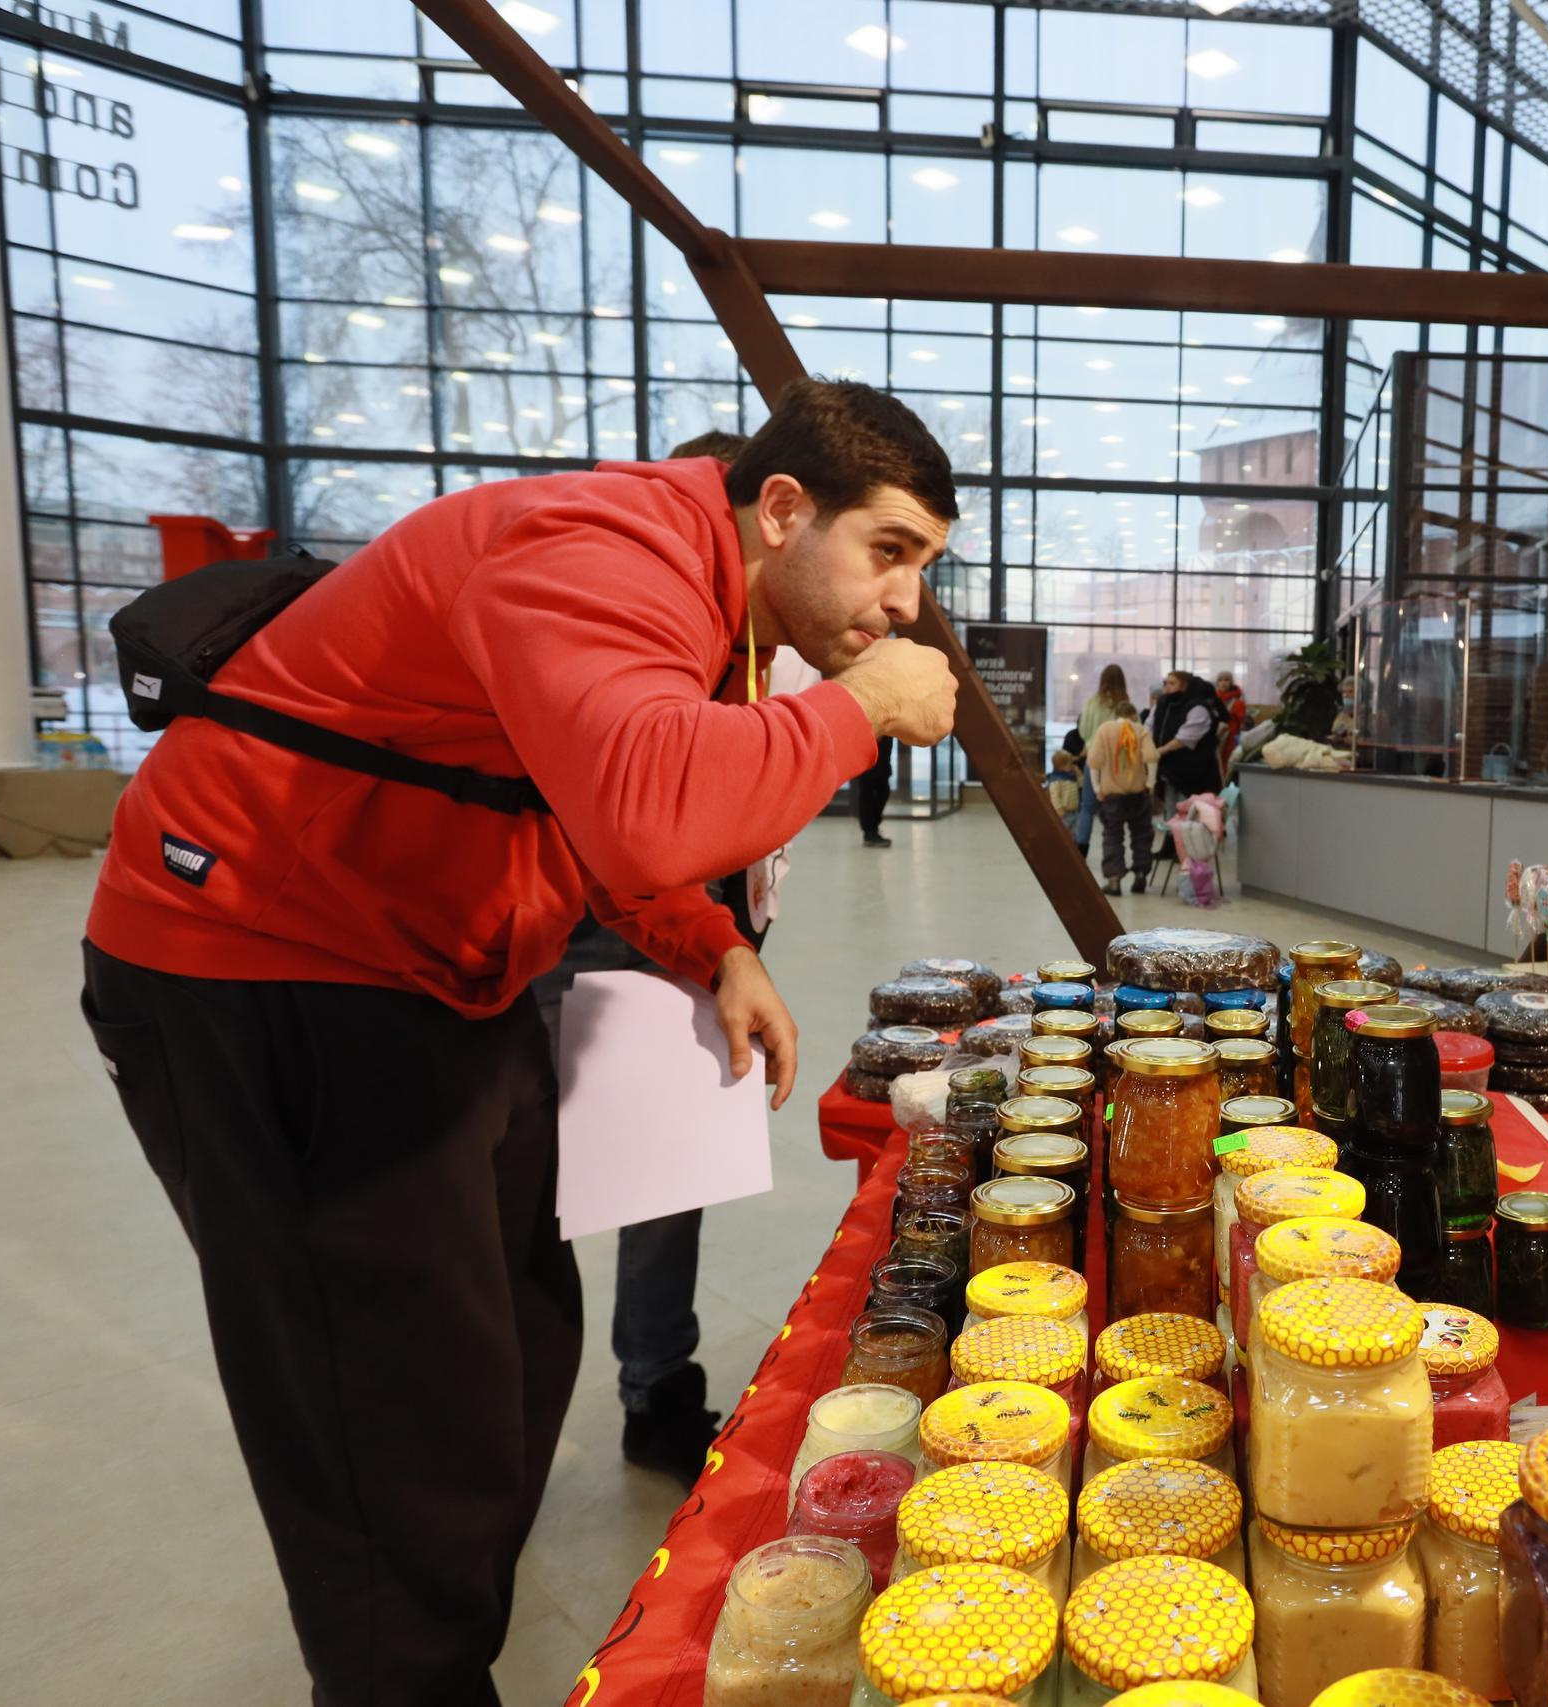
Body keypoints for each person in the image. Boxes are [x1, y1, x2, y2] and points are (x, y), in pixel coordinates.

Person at [77, 377, 959, 1706]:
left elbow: (580, 809)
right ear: (782, 508)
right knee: (387, 1404)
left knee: (518, 1335)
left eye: (923, 568)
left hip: (431, 965)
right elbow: (654, 800)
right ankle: (409, 1666)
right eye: (889, 551)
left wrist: (706, 947)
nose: (904, 601)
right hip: (268, 963)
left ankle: (441, 1616)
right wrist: (860, 710)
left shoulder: (709, 597)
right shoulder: (603, 547)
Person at [525, 428, 743, 1489]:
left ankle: (656, 1389)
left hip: (700, 930)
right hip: (603, 925)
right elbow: (643, 803)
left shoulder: (739, 627)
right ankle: (521, 1418)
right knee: (540, 1183)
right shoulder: (631, 601)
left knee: (667, 1181)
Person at [1087, 697, 1155, 895]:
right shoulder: (1141, 730)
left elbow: (1094, 761)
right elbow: (1151, 758)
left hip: (1112, 796)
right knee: (1142, 835)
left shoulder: (1104, 729)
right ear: (1134, 715)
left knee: (1112, 836)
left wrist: (1097, 786)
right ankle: (1140, 875)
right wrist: (1151, 783)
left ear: (1116, 715)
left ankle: (1114, 880)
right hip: (1138, 794)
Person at [1073, 663, 1130, 857]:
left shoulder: (1092, 703)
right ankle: (1112, 852)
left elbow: (1083, 731)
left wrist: (1090, 741)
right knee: (1113, 809)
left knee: (1087, 808)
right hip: (1115, 763)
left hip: (1093, 759)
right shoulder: (1124, 706)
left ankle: (1081, 850)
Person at [1149, 668, 1224, 804]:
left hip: (1194, 773)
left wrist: (1160, 751)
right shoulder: (1162, 704)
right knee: (1171, 812)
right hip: (1167, 770)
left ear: (1184, 686)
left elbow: (1184, 739)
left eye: (1172, 683)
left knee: (1192, 813)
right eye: (1166, 683)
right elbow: (1149, 727)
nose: (1167, 687)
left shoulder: (1198, 708)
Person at [852, 734, 896, 846]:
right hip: (868, 762)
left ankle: (873, 827)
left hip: (883, 761)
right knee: (868, 795)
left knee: (883, 792)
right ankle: (869, 831)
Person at [1212, 668, 1247, 774]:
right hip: (1214, 736)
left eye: (1226, 680)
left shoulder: (1238, 703)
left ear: (1231, 682)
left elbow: (1242, 723)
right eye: (1220, 680)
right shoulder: (1212, 699)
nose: (1223, 683)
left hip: (1230, 738)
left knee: (1227, 766)